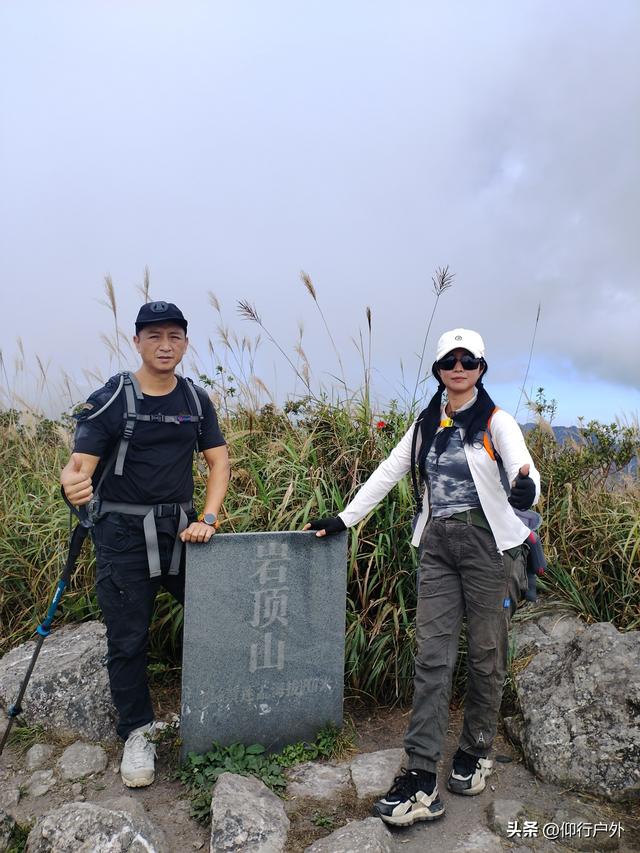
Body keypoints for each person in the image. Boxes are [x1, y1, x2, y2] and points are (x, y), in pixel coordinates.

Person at [305, 328, 540, 826]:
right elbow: (388, 473)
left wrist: (526, 491)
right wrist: (344, 519)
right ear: (438, 369)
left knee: (485, 654)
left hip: (488, 548)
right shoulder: (425, 425)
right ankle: (419, 774)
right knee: (432, 656)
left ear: (481, 367)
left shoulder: (497, 422)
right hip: (436, 546)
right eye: (449, 361)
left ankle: (476, 749)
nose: (458, 368)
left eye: (468, 360)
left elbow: (524, 468)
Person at [60, 301, 230, 788]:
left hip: (181, 533)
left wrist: (210, 518)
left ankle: (219, 711)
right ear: (136, 341)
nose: (165, 345)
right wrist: (74, 486)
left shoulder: (195, 400)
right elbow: (79, 467)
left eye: (174, 336)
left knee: (216, 617)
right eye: (154, 336)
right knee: (128, 639)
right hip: (122, 537)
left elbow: (219, 463)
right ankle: (137, 732)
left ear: (185, 342)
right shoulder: (113, 397)